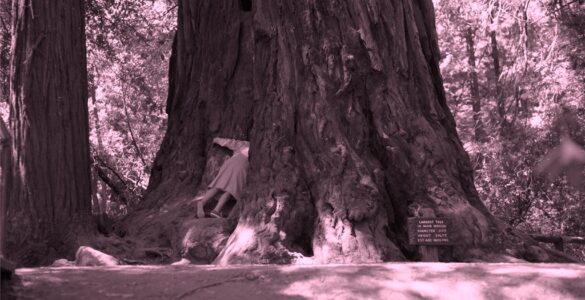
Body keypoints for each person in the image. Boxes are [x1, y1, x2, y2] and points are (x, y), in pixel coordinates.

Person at [195, 137, 250, 218]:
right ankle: (216, 210)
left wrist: (217, 140)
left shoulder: (245, 144)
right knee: (231, 190)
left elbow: (230, 142)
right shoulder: (257, 151)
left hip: (230, 164)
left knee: (218, 185)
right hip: (242, 167)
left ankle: (202, 203)